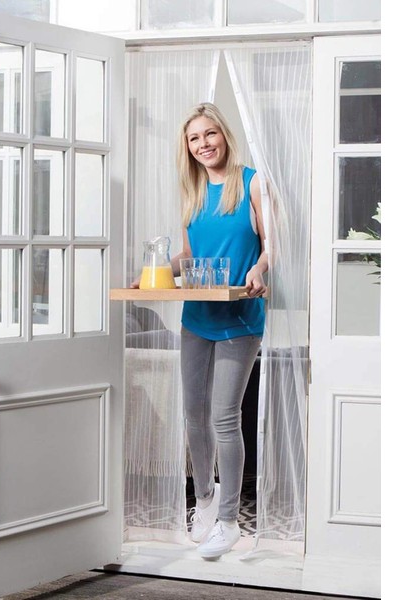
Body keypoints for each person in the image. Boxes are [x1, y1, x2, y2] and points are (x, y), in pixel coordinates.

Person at [132, 102, 267, 559]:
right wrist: (153, 273)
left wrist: (261, 268)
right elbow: (189, 256)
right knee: (193, 414)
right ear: (187, 147)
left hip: (240, 319)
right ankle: (205, 501)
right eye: (194, 138)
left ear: (224, 135)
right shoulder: (191, 191)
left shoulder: (252, 183)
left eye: (210, 134)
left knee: (224, 418)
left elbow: (274, 246)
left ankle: (229, 522)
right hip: (197, 318)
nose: (203, 144)